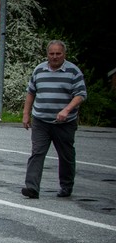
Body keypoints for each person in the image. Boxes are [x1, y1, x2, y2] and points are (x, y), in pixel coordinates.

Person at [21, 40, 87, 199]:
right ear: (47, 54)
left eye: (58, 54)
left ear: (64, 54)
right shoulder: (39, 70)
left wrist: (67, 110)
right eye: (52, 54)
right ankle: (32, 187)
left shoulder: (73, 71)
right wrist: (26, 114)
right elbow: (31, 92)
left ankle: (66, 186)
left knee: (66, 155)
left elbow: (81, 95)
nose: (55, 57)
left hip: (64, 122)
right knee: (37, 153)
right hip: (41, 120)